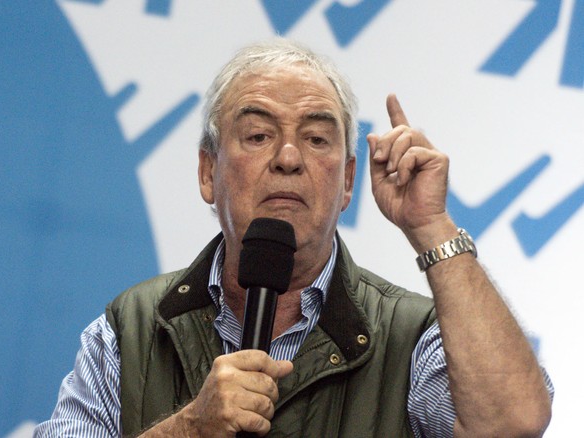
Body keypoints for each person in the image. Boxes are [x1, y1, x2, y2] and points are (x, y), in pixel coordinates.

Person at [34, 39, 553, 437]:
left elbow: (513, 422)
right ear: (207, 172)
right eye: (258, 135)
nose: (288, 157)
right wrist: (188, 428)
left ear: (348, 180)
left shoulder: (412, 336)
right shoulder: (130, 331)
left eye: (316, 138)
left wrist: (431, 226)